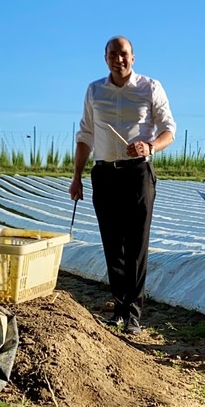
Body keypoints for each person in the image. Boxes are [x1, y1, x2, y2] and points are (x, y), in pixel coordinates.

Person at [70, 36, 176, 336]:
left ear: (134, 57)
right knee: (111, 243)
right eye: (113, 54)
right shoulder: (94, 91)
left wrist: (150, 146)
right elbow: (86, 134)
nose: (119, 59)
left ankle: (133, 313)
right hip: (104, 174)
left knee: (136, 244)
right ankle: (118, 307)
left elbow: (169, 130)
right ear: (105, 58)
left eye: (124, 54)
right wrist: (76, 177)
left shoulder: (150, 87)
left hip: (137, 174)